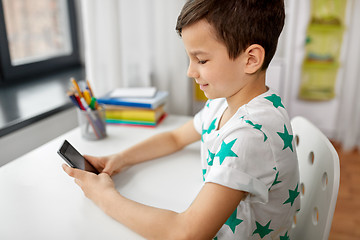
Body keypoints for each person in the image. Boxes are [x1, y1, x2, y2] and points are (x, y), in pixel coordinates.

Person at [63, 0, 300, 239]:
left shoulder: (251, 135)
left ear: (250, 59)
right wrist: (121, 158)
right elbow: (175, 137)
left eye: (202, 60)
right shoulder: (223, 102)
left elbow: (185, 233)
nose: (190, 71)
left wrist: (105, 197)